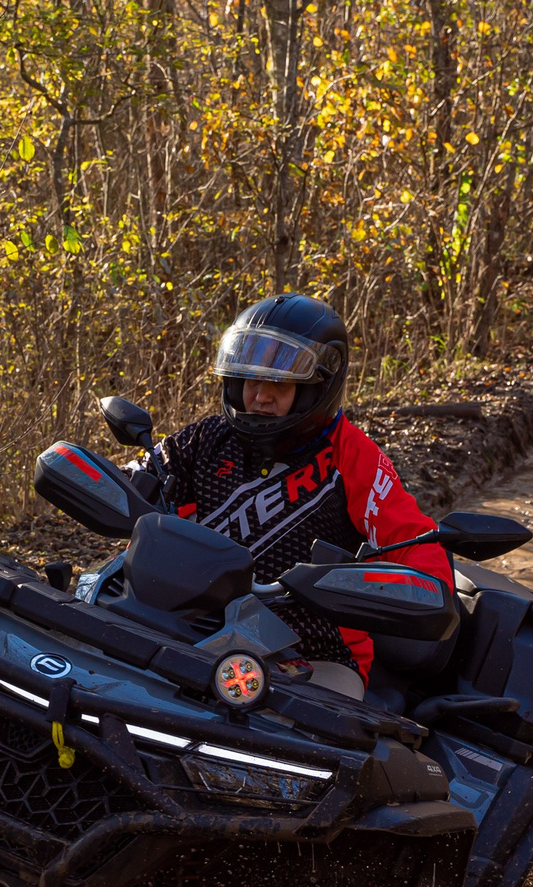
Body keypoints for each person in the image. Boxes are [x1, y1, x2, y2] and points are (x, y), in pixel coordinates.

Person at [127, 293, 450, 696]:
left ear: (318, 386)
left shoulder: (352, 456)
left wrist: (414, 593)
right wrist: (109, 489)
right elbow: (136, 482)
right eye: (251, 380)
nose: (261, 396)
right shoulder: (205, 439)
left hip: (311, 651)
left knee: (307, 720)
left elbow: (416, 544)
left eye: (279, 383)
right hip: (189, 623)